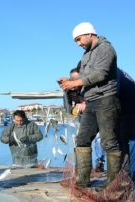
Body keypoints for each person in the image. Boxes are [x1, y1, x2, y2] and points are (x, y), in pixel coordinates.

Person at [58, 22, 121, 192]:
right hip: (90, 101)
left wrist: (75, 83)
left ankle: (115, 184)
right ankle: (83, 181)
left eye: (79, 39)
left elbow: (101, 73)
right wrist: (69, 81)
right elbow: (85, 76)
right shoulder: (86, 55)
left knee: (109, 142)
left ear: (89, 34)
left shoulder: (106, 48)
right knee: (82, 140)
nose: (78, 43)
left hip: (107, 99)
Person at [63, 65, 105, 172]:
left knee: (99, 137)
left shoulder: (88, 86)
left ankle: (100, 162)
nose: (77, 81)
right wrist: (73, 110)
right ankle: (84, 164)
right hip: (80, 117)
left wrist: (86, 105)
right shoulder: (68, 90)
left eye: (79, 78)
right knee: (81, 139)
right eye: (75, 79)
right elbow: (67, 106)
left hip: (95, 114)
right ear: (71, 79)